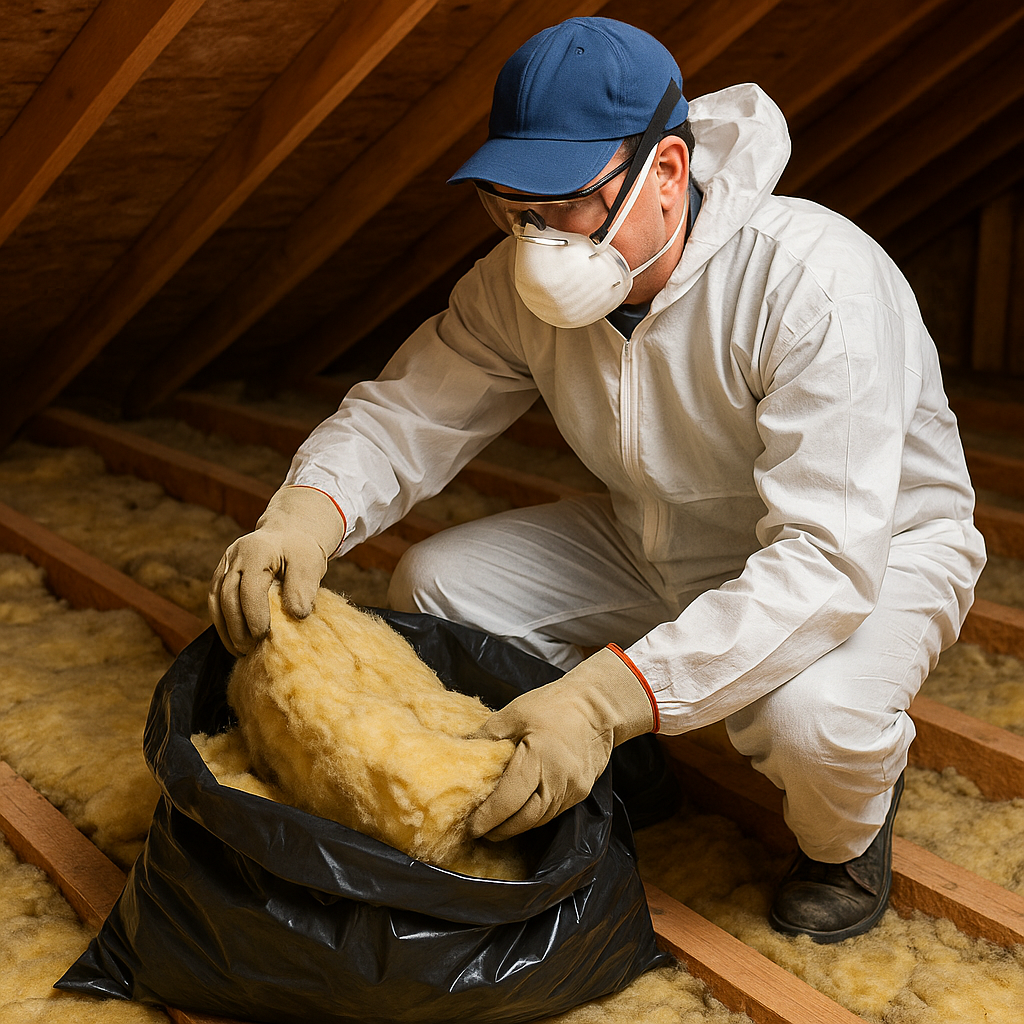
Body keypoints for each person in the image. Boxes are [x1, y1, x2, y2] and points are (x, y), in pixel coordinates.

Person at [208, 17, 986, 943]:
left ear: (667, 171)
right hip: (659, 531)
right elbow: (412, 410)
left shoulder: (811, 285)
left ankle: (845, 842)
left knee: (811, 720)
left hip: (872, 556)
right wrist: (306, 512)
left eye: (565, 203)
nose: (536, 237)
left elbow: (826, 559)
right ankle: (634, 772)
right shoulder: (514, 283)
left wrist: (603, 699)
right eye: (512, 206)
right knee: (438, 584)